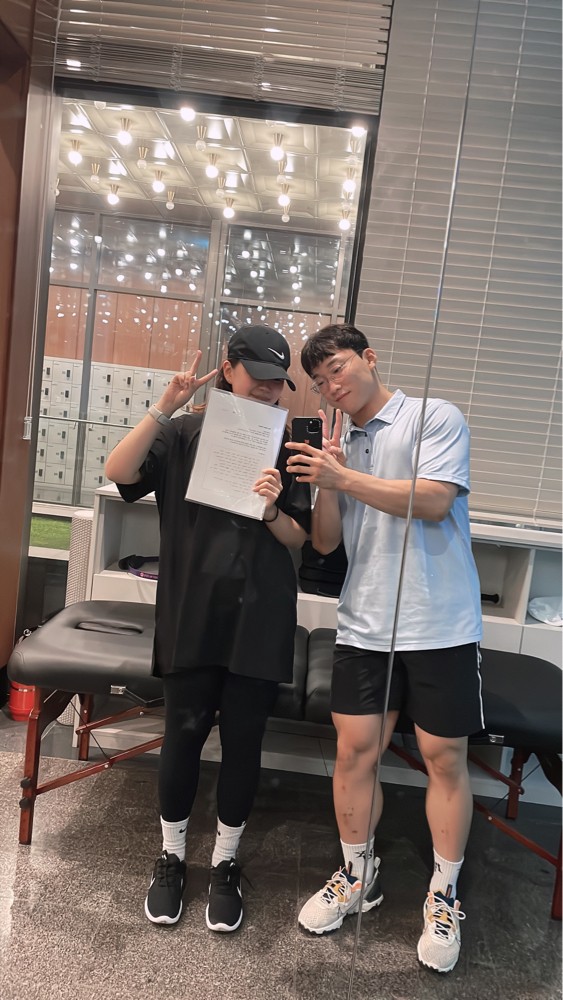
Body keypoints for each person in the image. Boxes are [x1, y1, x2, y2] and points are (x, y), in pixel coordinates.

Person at [286, 323, 483, 974]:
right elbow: (324, 543)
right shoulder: (341, 447)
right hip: (365, 623)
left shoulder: (433, 417)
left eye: (338, 369)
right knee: (353, 752)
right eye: (320, 382)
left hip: (440, 623)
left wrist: (343, 477)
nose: (331, 386)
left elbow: (434, 502)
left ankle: (443, 895)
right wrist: (326, 481)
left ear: (369, 359)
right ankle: (356, 874)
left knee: (442, 757)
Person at [105, 324, 310, 933]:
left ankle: (224, 862)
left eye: (278, 383)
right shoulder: (184, 433)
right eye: (259, 379)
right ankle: (171, 857)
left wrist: (271, 508)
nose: (269, 391)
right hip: (192, 610)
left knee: (244, 741)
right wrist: (163, 407)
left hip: (260, 615)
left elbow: (300, 538)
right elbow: (120, 470)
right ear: (228, 370)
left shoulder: (289, 447)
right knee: (184, 733)